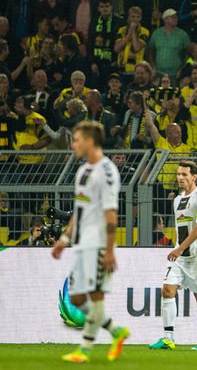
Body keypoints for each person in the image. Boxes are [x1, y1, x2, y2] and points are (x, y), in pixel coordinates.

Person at [50, 121, 129, 363]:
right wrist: (65, 238)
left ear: (90, 141)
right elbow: (78, 209)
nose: (73, 144)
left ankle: (83, 349)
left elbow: (111, 214)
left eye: (77, 140)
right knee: (75, 298)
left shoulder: (106, 172)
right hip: (82, 243)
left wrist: (109, 250)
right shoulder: (82, 171)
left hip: (97, 243)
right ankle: (116, 330)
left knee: (95, 298)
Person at [149, 161, 197, 352]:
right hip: (180, 258)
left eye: (184, 174)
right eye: (178, 174)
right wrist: (179, 248)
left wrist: (179, 248)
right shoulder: (177, 200)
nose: (180, 178)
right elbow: (181, 228)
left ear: (194, 177)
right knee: (167, 291)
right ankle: (168, 338)